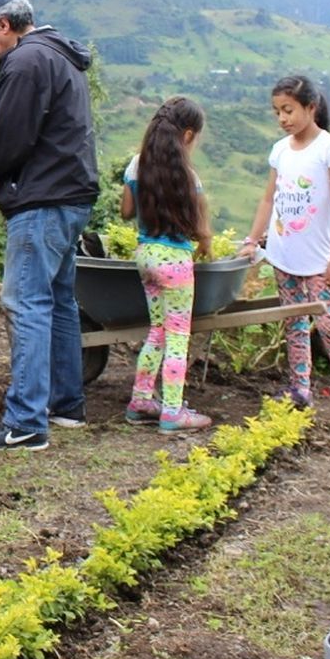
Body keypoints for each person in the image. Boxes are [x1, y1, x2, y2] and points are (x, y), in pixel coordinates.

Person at [0, 0, 98, 451]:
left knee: (25, 303)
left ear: (2, 26)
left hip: (42, 200)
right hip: (72, 194)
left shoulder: (25, 62)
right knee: (58, 300)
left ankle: (26, 421)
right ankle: (66, 404)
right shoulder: (60, 54)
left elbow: (12, 141)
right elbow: (35, 134)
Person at [243, 75, 330, 429]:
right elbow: (268, 199)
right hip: (282, 254)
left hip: (318, 260)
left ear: (311, 107)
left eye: (289, 110)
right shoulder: (279, 150)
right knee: (293, 323)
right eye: (277, 112)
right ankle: (300, 390)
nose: (283, 118)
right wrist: (253, 238)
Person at [120, 97, 214, 433]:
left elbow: (126, 212)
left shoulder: (136, 165)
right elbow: (200, 229)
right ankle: (172, 411)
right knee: (177, 337)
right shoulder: (188, 176)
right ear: (187, 136)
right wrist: (205, 242)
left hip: (146, 257)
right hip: (174, 261)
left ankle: (141, 400)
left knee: (157, 332)